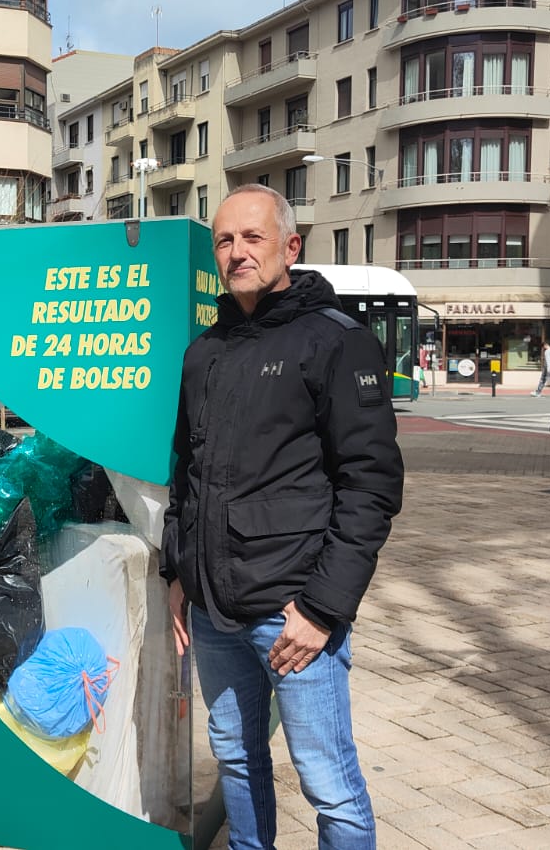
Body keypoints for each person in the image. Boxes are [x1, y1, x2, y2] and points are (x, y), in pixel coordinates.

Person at [163, 185, 405, 850]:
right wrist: (179, 572)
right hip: (213, 612)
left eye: (252, 238)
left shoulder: (336, 342)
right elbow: (186, 473)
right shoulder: (203, 353)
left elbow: (372, 483)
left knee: (329, 784)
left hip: (293, 615)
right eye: (224, 240)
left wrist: (324, 609)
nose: (236, 253)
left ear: (290, 247)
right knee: (237, 762)